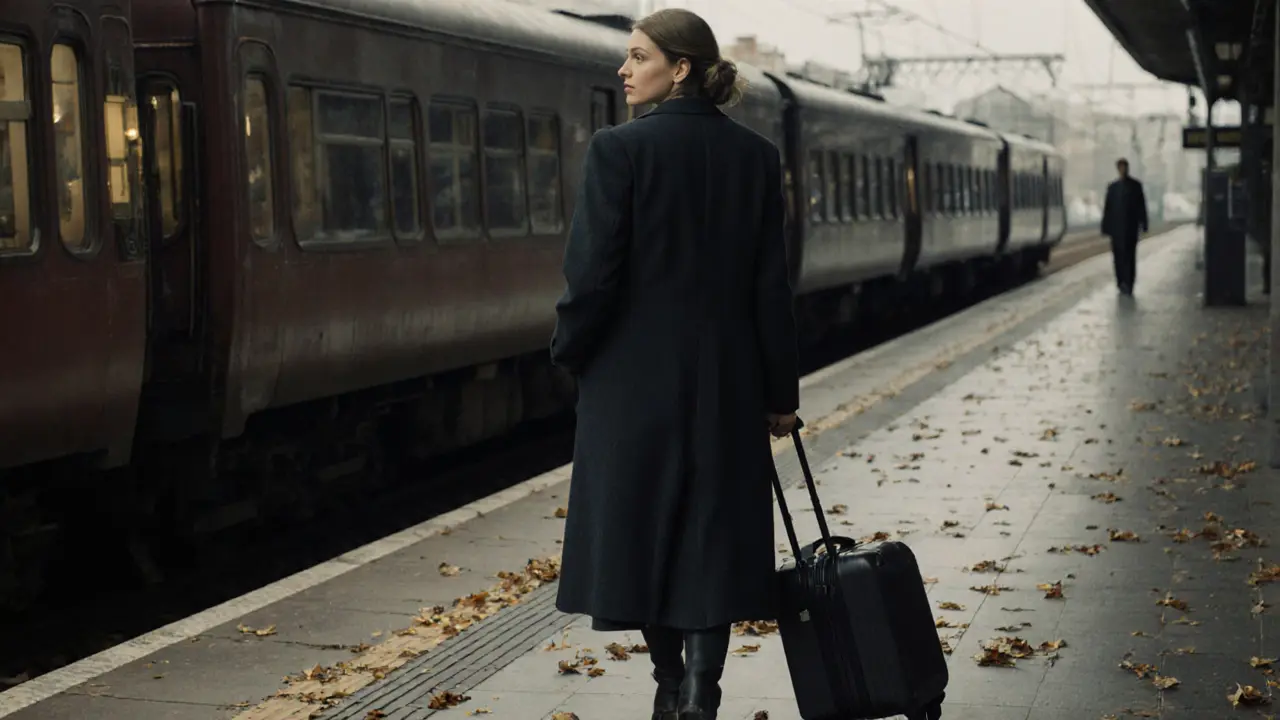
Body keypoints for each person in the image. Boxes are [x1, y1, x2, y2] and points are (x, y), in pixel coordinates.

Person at [548, 8, 800, 720]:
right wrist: (780, 391)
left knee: (641, 533)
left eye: (637, 57)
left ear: (680, 67)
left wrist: (570, 351)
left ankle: (669, 680)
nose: (623, 71)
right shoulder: (756, 159)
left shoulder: (618, 151)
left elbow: (591, 275)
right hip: (728, 380)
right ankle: (699, 690)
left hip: (633, 383)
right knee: (709, 536)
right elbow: (769, 289)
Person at [1100, 157, 1149, 295]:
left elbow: (1141, 206)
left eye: (1124, 167)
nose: (1123, 170)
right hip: (1116, 230)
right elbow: (1108, 208)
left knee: (1130, 256)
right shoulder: (1112, 187)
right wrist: (1105, 227)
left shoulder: (1136, 186)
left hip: (1130, 229)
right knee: (1118, 257)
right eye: (1121, 167)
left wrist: (1144, 224)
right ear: (1118, 169)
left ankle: (1129, 282)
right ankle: (1121, 281)